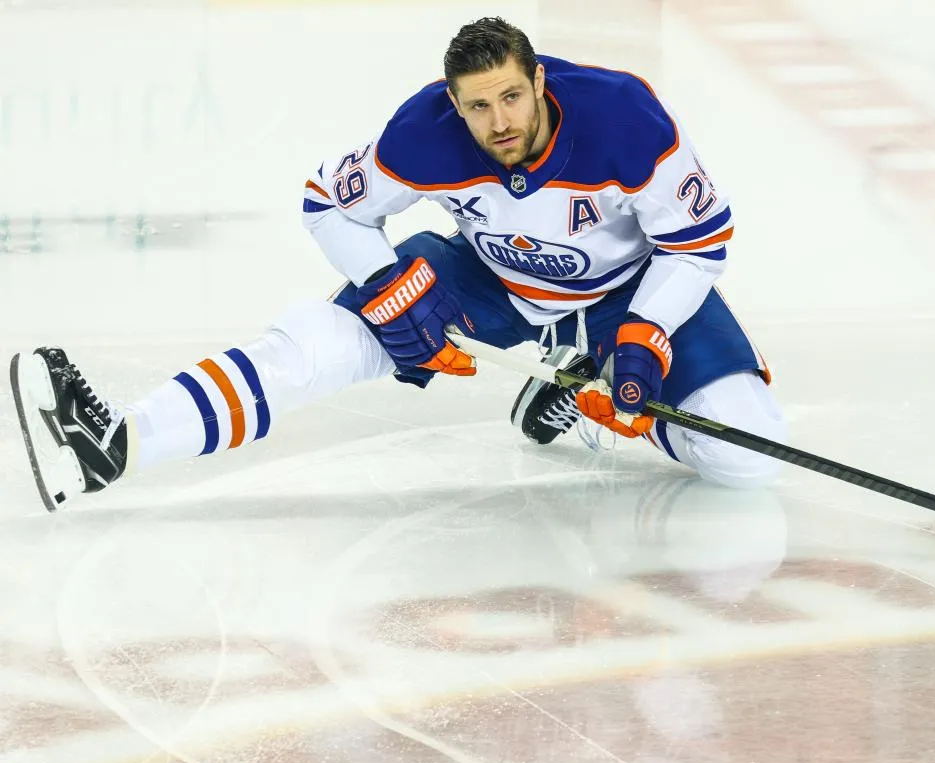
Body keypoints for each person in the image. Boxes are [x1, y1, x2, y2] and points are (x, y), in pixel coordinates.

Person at [9, 17, 787, 513]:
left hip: (628, 290)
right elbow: (330, 200)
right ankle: (118, 444)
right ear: (454, 101)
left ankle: (582, 387)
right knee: (321, 345)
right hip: (492, 281)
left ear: (540, 79)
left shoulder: (626, 119)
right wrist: (386, 286)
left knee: (746, 459)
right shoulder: (423, 133)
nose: (499, 123)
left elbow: (697, 244)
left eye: (512, 98)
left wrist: (646, 335)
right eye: (477, 106)